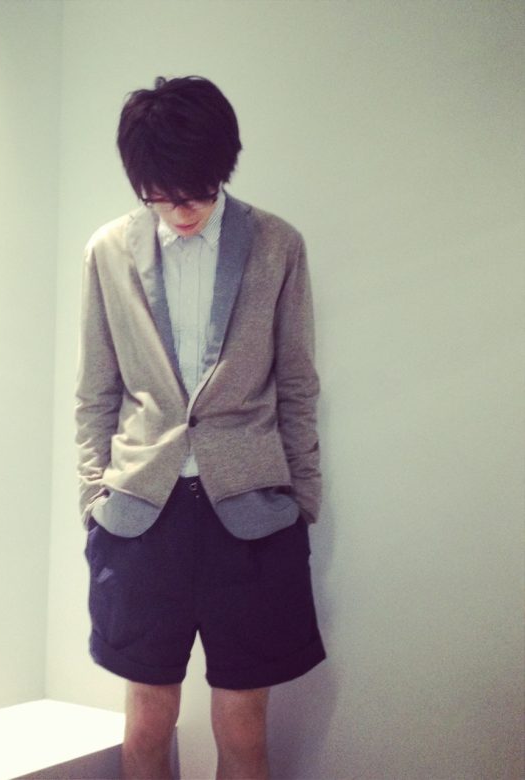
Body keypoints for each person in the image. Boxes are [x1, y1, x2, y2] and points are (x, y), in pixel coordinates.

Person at [75, 75, 325, 780]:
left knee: (243, 731)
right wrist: (93, 496)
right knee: (146, 724)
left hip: (251, 516)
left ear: (222, 168)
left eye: (196, 193)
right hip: (140, 516)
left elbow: (297, 384)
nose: (181, 211)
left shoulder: (277, 244)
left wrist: (302, 499)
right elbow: (96, 389)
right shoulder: (108, 251)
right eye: (161, 195)